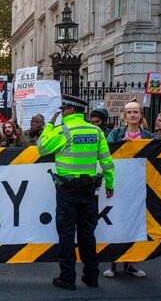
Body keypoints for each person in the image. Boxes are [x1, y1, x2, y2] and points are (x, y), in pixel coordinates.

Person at [36, 95, 114, 291]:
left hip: (67, 190)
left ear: (70, 110)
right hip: (89, 190)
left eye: (63, 110)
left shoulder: (63, 130)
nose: (61, 113)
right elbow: (106, 161)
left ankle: (67, 278)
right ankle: (92, 277)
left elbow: (41, 148)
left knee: (67, 234)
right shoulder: (96, 131)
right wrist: (110, 184)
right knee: (88, 233)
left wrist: (50, 125)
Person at [104, 98, 150, 278]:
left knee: (135, 224)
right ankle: (112, 264)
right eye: (129, 112)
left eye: (136, 112)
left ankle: (131, 264)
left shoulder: (148, 137)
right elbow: (105, 153)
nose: (132, 114)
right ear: (124, 116)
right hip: (118, 183)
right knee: (116, 223)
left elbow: (156, 156)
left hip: (138, 187)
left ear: (140, 116)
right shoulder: (115, 135)